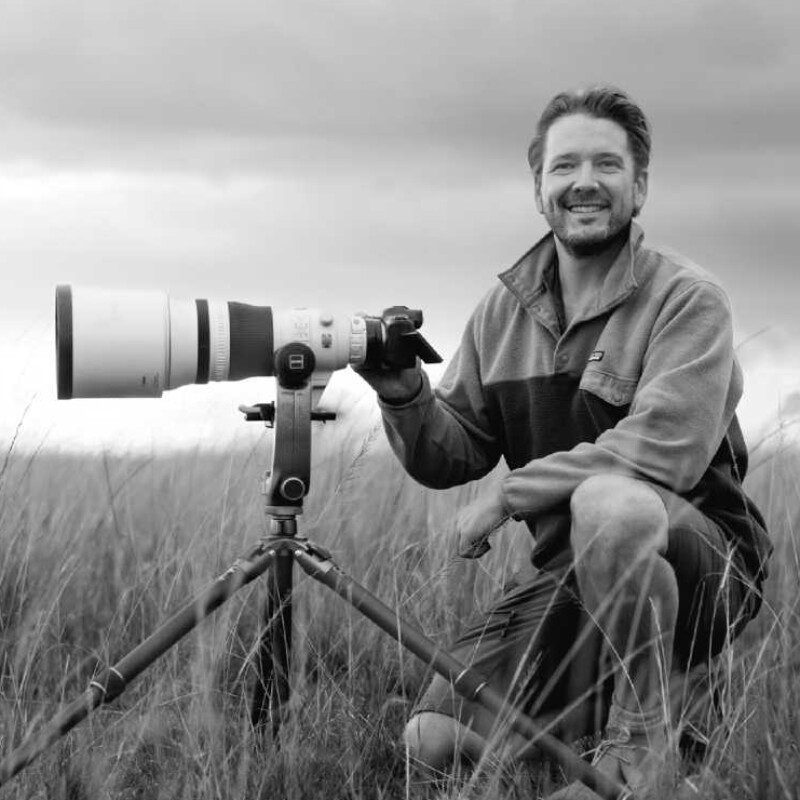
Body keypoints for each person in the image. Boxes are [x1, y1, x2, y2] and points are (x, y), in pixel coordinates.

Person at [355, 85, 771, 798]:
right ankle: (619, 713)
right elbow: (452, 454)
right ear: (539, 190)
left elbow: (666, 450)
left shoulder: (687, 298)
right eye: (564, 166)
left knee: (611, 505)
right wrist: (403, 395)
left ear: (639, 187)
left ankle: (646, 749)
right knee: (432, 740)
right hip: (568, 579)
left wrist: (509, 496)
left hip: (701, 567)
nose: (585, 182)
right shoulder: (502, 311)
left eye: (607, 165)